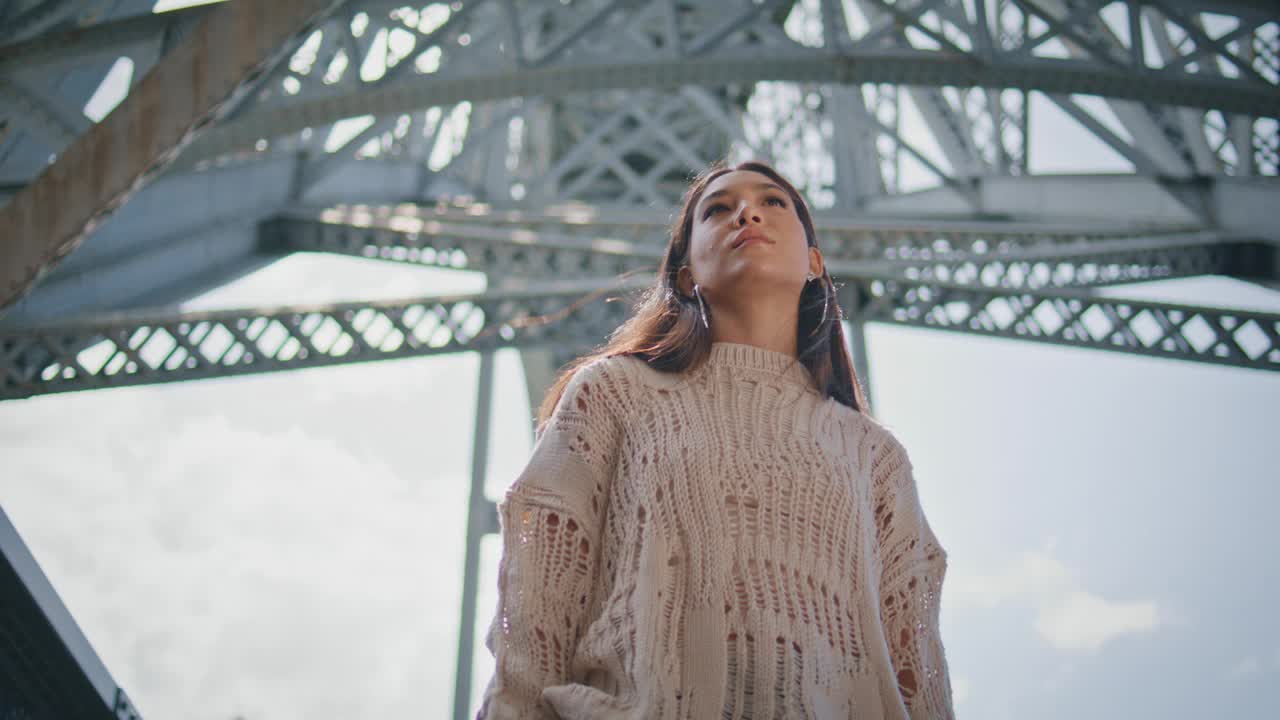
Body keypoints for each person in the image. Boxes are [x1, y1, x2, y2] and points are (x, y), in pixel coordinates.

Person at [476, 160, 954, 719]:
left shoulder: (875, 456)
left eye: (773, 203)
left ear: (814, 264)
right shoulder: (614, 393)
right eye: (718, 209)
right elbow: (540, 603)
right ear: (687, 276)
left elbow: (915, 667)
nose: (747, 213)